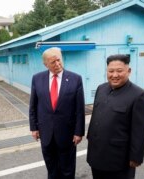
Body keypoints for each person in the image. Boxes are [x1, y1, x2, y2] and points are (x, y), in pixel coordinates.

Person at [87, 54, 144, 179]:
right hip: (96, 154)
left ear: (129, 71)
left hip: (119, 159)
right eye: (111, 71)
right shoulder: (101, 89)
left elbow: (140, 131)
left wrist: (136, 157)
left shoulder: (139, 95)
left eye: (119, 71)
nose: (114, 75)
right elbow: (96, 116)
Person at [29, 47, 85, 179]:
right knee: (51, 169)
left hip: (67, 133)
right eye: (53, 62)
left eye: (59, 60)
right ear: (45, 64)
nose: (57, 64)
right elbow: (33, 105)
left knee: (67, 169)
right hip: (46, 132)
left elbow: (79, 108)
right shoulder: (37, 79)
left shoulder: (75, 79)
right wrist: (34, 127)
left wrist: (79, 132)